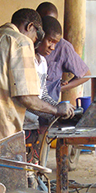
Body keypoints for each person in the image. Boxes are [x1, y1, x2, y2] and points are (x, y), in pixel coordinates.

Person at [0, 8, 74, 139]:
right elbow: (26, 97)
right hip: (0, 131)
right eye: (36, 37)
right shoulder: (21, 42)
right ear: (30, 26)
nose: (35, 42)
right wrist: (57, 110)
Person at [23, 16, 63, 162]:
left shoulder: (43, 62)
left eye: (55, 43)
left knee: (33, 165)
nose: (52, 47)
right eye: (50, 41)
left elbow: (42, 94)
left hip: (33, 124)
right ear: (39, 37)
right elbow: (27, 99)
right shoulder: (26, 60)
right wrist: (54, 112)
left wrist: (59, 108)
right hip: (21, 125)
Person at [36, 2, 90, 102]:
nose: (52, 47)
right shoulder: (26, 45)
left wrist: (57, 88)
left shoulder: (63, 47)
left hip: (47, 106)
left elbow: (85, 74)